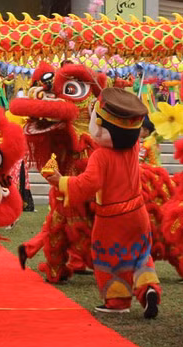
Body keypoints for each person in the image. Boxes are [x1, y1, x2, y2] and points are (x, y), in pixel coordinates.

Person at [45, 89, 160, 318]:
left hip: (111, 217)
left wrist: (61, 181)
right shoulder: (134, 147)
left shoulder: (101, 156)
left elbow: (89, 184)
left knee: (109, 257)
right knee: (139, 252)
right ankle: (148, 286)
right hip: (138, 212)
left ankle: (118, 301)